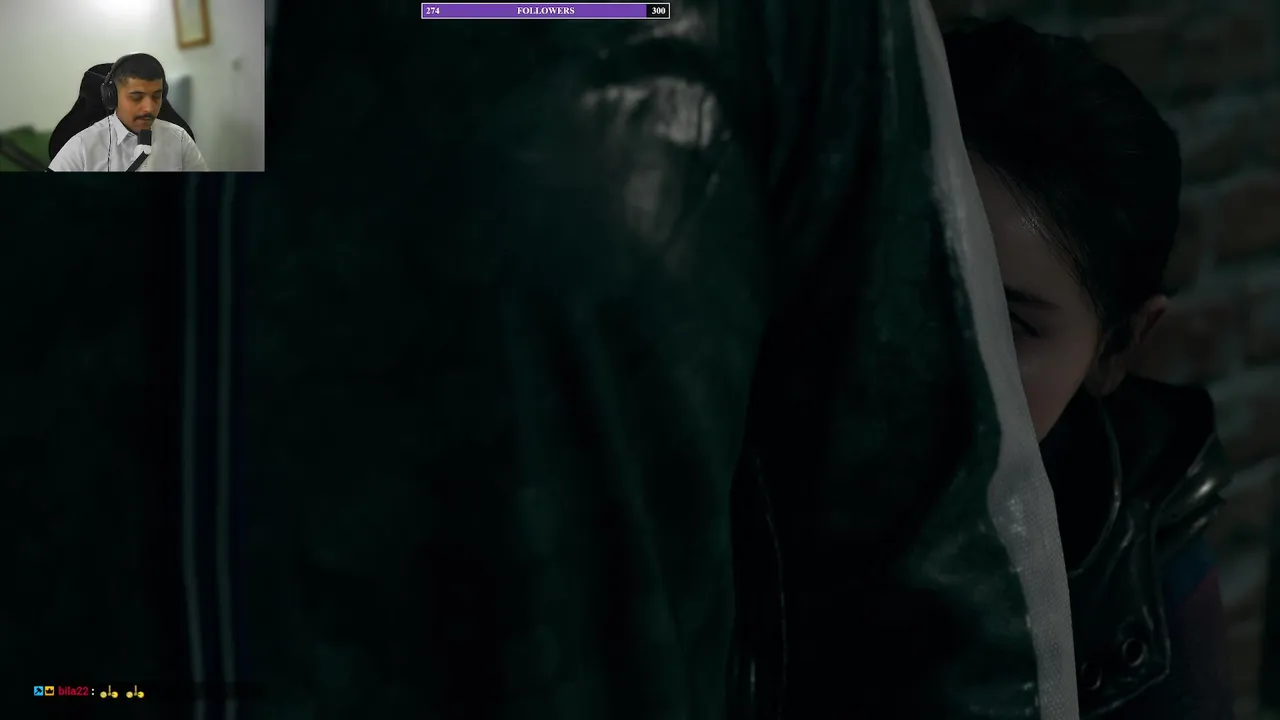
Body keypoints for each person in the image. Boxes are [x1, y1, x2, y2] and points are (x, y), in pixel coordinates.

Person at [946, 19, 1234, 718]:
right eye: (907, 285)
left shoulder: (1137, 557)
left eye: (1008, 323)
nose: (936, 349)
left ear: (1116, 349)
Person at [48, 53, 208, 172]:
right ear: (113, 96)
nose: (149, 108)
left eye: (156, 96)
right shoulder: (82, 145)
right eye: (136, 97)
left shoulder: (179, 140)